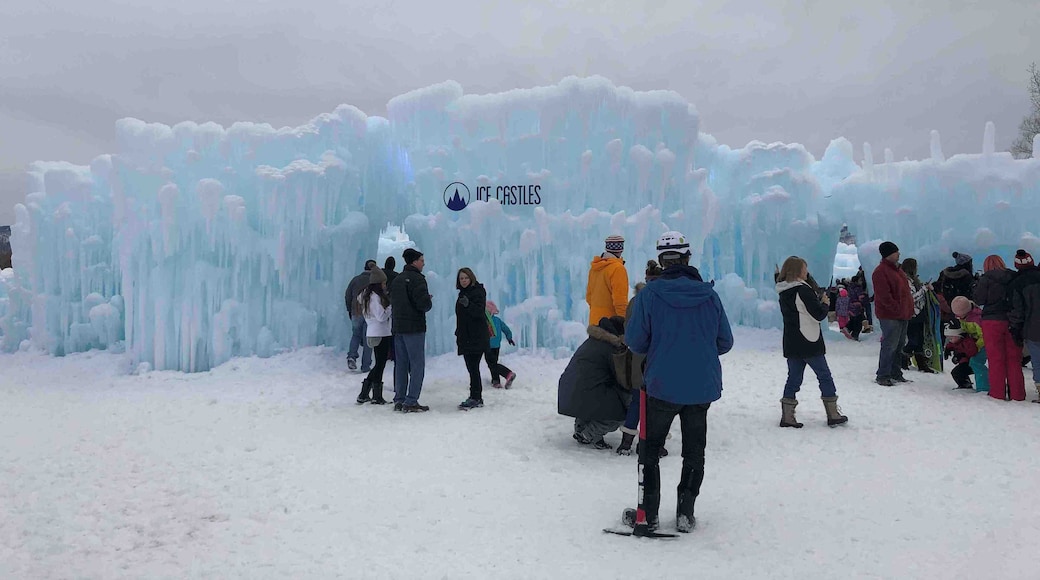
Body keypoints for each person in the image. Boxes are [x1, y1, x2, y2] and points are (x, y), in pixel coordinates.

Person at [625, 231, 734, 533]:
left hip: (661, 384)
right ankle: (686, 512)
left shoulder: (649, 295)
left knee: (650, 449)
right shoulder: (709, 295)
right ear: (687, 258)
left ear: (662, 260)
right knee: (694, 450)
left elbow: (635, 341)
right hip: (702, 387)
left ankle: (648, 513)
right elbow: (725, 341)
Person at [775, 256, 848, 428]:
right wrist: (824, 304)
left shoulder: (783, 290)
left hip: (792, 341)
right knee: (824, 376)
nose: (807, 271)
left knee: (793, 378)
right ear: (798, 270)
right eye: (804, 268)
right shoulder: (802, 290)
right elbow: (818, 315)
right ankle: (832, 413)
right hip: (809, 339)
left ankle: (787, 416)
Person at [616, 260, 668, 457]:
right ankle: (650, 444)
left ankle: (625, 444)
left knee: (638, 400)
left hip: (638, 357)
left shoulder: (635, 301)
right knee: (657, 403)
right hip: (658, 358)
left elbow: (628, 329)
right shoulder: (663, 299)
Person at [557, 316, 631, 450]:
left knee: (590, 397)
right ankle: (588, 434)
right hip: (585, 392)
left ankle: (580, 429)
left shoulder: (591, 342)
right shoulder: (612, 348)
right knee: (620, 415)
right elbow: (621, 379)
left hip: (567, 391)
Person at [974, 255, 1025, 401]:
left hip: (992, 321)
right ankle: (1018, 394)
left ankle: (997, 393)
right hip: (1012, 320)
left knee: (995, 359)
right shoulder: (1014, 277)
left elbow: (979, 299)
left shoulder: (986, 279)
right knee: (1014, 359)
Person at [389, 248, 433, 412]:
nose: (423, 263)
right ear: (414, 261)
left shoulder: (398, 279)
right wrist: (428, 300)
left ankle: (399, 399)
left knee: (401, 364)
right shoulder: (417, 279)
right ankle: (411, 400)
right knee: (416, 365)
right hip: (414, 327)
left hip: (398, 327)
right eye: (421, 260)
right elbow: (422, 304)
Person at [871, 241, 914, 386]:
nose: (899, 254)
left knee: (899, 344)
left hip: (901, 314)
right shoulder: (880, 272)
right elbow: (884, 296)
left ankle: (895, 372)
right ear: (889, 254)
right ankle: (883, 374)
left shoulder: (898, 270)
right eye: (896, 252)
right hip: (890, 315)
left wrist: (906, 308)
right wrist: (897, 308)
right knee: (890, 345)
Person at [355, 267, 392, 404]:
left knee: (379, 364)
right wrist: (390, 308)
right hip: (380, 333)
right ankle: (375, 395)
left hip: (373, 333)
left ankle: (365, 393)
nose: (384, 285)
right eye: (383, 283)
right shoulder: (374, 298)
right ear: (378, 283)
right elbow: (381, 316)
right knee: (380, 364)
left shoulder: (365, 296)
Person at [455, 267, 490, 409]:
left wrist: (468, 304)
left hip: (476, 336)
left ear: (471, 278)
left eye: (466, 278)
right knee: (471, 368)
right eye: (461, 278)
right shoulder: (463, 293)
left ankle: (476, 397)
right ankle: (475, 396)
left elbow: (479, 313)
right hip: (466, 336)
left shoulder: (478, 291)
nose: (463, 281)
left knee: (473, 367)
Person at [1008, 249, 1040, 403]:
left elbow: (1018, 310)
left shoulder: (1017, 283)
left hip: (1032, 328)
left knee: (1037, 361)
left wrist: (1015, 328)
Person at [900, 258, 936, 373]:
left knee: (920, 339)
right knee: (914, 340)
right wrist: (924, 289)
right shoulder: (906, 280)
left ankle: (920, 363)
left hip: (919, 313)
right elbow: (911, 298)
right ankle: (903, 358)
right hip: (912, 313)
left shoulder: (913, 280)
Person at [586, 234, 630, 325]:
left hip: (594, 322)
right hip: (611, 325)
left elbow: (589, 297)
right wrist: (625, 322)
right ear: (621, 249)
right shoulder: (618, 268)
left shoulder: (594, 268)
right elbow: (620, 301)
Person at [951, 296, 990, 393]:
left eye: (959, 316)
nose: (957, 318)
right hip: (973, 344)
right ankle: (966, 382)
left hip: (983, 344)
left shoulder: (976, 319)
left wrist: (976, 347)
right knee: (969, 362)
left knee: (976, 362)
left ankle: (984, 388)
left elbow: (984, 336)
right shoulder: (964, 315)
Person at [345, 259, 378, 371]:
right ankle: (365, 365)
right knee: (368, 339)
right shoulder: (374, 281)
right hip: (370, 313)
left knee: (356, 335)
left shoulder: (355, 279)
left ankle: (351, 357)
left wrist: (350, 309)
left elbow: (348, 295)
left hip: (356, 311)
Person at [484, 300, 517, 389]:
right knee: (493, 363)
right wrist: (509, 337)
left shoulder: (485, 321)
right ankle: (496, 381)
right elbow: (506, 329)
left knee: (492, 364)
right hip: (496, 346)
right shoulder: (497, 320)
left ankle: (508, 374)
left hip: (488, 346)